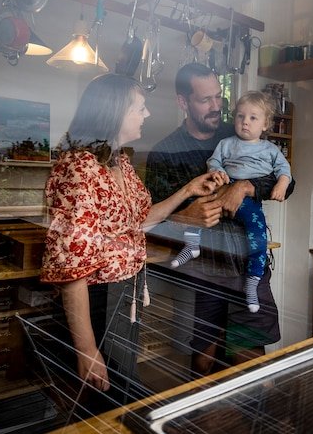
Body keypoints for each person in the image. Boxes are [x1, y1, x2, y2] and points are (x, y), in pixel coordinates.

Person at [40, 73, 225, 411]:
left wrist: (187, 191)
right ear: (114, 113)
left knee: (118, 400)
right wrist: (86, 350)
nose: (147, 114)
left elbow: (139, 218)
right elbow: (73, 267)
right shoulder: (78, 170)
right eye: (140, 107)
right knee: (104, 404)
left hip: (123, 297)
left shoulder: (118, 161)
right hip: (95, 303)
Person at [145, 62, 294, 376]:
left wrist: (244, 187)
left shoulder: (240, 129)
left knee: (250, 356)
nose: (216, 107)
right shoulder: (165, 152)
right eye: (205, 100)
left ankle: (250, 420)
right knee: (203, 359)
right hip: (202, 271)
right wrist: (187, 216)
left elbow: (287, 183)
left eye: (219, 98)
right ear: (183, 102)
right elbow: (149, 224)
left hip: (248, 263)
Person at [170, 90, 291, 314]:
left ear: (265, 124)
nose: (245, 122)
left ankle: (253, 280)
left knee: (258, 234)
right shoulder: (226, 143)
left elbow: (285, 172)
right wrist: (217, 173)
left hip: (248, 201)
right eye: (240, 116)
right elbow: (214, 161)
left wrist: (281, 185)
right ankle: (192, 245)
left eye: (253, 118)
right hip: (222, 188)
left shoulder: (270, 149)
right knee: (199, 207)